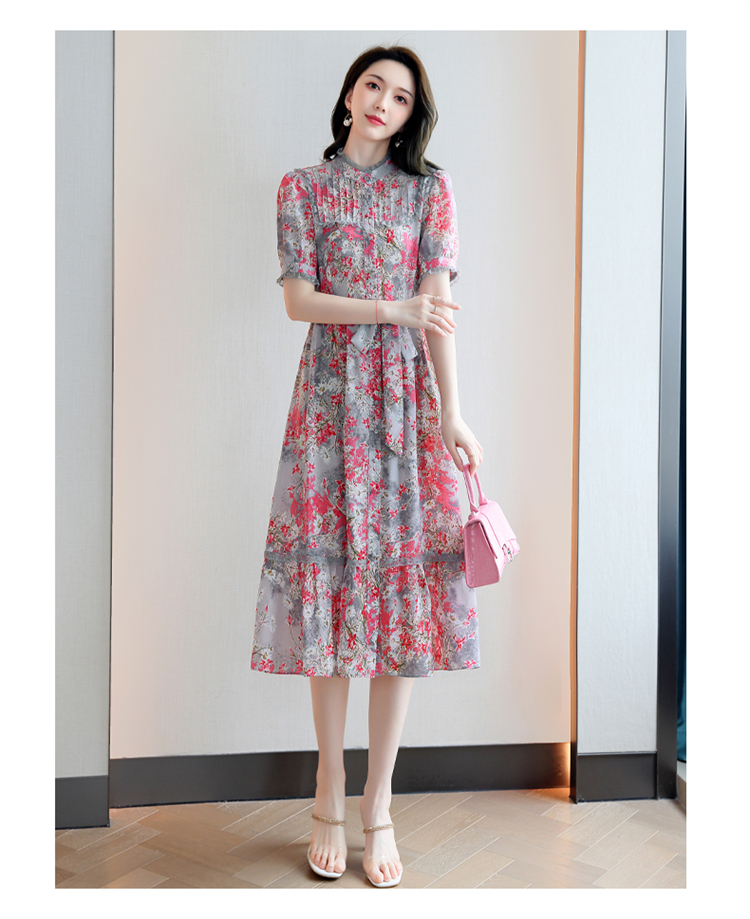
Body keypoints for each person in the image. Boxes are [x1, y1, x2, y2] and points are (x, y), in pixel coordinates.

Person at [250, 44, 483, 888]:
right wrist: (391, 308)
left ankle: (379, 802)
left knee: (398, 603)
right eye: (374, 85)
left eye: (402, 96)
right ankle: (328, 786)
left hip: (406, 410)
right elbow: (298, 301)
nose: (385, 102)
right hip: (329, 404)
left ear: (413, 114)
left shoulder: (430, 192)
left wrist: (452, 412)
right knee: (331, 591)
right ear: (350, 94)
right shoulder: (301, 188)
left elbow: (438, 308)